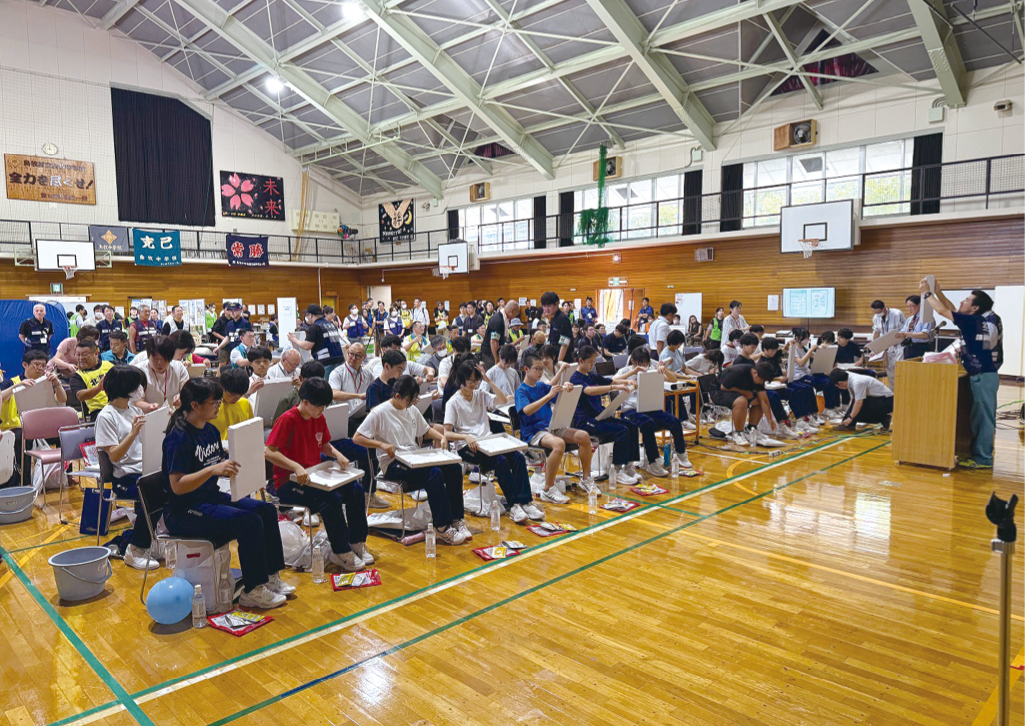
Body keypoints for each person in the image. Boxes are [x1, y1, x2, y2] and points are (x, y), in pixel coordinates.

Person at [162, 379, 293, 609]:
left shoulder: (211, 430)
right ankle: (252, 590)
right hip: (184, 510)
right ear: (195, 405)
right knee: (249, 522)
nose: (219, 406)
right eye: (214, 402)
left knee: (265, 510)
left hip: (208, 497)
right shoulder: (178, 438)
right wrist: (213, 469)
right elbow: (178, 486)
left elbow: (215, 463)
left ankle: (270, 576)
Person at [265, 377, 373, 571]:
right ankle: (341, 551)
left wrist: (338, 455)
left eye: (325, 406)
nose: (322, 409)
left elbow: (324, 444)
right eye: (319, 406)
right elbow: (269, 452)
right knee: (331, 499)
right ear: (305, 402)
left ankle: (356, 542)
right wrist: (296, 467)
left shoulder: (318, 418)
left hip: (315, 477)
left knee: (356, 490)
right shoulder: (288, 419)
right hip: (289, 483)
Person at [354, 375, 471, 544]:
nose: (413, 403)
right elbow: (357, 437)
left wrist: (441, 437)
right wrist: (381, 444)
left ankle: (456, 519)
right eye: (410, 399)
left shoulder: (411, 410)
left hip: (414, 458)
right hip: (393, 464)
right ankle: (441, 527)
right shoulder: (379, 412)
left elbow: (425, 430)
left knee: (454, 468)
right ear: (398, 396)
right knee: (434, 474)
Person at [444, 362, 544, 524]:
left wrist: (489, 381)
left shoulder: (480, 395)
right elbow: (447, 433)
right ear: (461, 379)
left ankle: (526, 501)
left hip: (488, 443)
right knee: (501, 461)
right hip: (467, 446)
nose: (474, 384)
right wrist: (465, 437)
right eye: (470, 380)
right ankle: (514, 505)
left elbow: (503, 400)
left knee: (518, 457)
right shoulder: (453, 402)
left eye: (476, 381)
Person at [920, 280, 1002, 468]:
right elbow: (952, 310)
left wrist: (927, 294)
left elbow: (943, 311)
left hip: (983, 375)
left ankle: (983, 459)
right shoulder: (982, 319)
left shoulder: (974, 321)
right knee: (979, 417)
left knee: (983, 419)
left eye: (966, 300)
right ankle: (978, 455)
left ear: (975, 308)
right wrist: (939, 293)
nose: (961, 302)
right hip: (984, 374)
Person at [94, 366, 158, 569]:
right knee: (153, 495)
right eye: (137, 385)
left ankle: (128, 540)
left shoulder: (135, 410)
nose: (141, 389)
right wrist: (132, 433)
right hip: (125, 479)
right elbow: (114, 455)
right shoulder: (106, 416)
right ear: (125, 387)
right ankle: (135, 549)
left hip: (145, 472)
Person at [515, 353, 593, 504]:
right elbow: (527, 410)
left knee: (583, 436)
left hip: (551, 427)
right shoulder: (521, 390)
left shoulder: (541, 386)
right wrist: (548, 396)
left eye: (542, 369)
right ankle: (548, 489)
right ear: (526, 369)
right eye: (537, 369)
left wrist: (567, 388)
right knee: (559, 444)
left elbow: (558, 396)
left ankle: (586, 479)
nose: (540, 372)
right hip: (534, 432)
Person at [571, 346, 641, 489]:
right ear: (581, 361)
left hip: (599, 416)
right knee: (621, 431)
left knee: (632, 426)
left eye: (593, 362)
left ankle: (628, 465)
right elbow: (589, 391)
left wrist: (627, 381)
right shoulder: (575, 378)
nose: (592, 365)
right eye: (590, 362)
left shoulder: (591, 376)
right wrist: (613, 388)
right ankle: (617, 470)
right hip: (586, 421)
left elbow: (612, 380)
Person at [615, 346, 693, 475]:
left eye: (645, 363)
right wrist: (631, 375)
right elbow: (613, 381)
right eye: (640, 363)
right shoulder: (624, 371)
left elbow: (673, 380)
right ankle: (653, 461)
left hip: (650, 407)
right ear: (633, 360)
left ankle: (681, 452)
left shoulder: (651, 370)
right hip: (631, 410)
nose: (643, 366)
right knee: (647, 423)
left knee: (674, 421)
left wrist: (664, 370)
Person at [0, 350, 68, 487]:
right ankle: (24, 482)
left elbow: (62, 399)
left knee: (64, 435)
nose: (40, 368)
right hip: (16, 427)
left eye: (43, 366)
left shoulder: (46, 382)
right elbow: (1, 396)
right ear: (25, 365)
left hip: (41, 428)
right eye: (36, 364)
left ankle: (66, 476)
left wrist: (57, 383)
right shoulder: (10, 382)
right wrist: (17, 387)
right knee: (23, 438)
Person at [712, 361, 775, 446]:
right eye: (762, 380)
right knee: (742, 401)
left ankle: (751, 428)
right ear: (755, 373)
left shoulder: (759, 378)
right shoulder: (737, 372)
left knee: (759, 401)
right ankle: (738, 433)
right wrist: (743, 392)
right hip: (719, 391)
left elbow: (764, 400)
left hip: (737, 392)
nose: (762, 383)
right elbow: (724, 387)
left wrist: (770, 420)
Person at [132, 335, 190, 411]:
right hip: (147, 416)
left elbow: (188, 393)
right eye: (155, 358)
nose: (159, 363)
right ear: (148, 356)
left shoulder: (179, 368)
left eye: (164, 358)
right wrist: (150, 407)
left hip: (174, 415)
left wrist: (182, 398)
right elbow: (136, 402)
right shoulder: (139, 371)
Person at [829, 369, 893, 432]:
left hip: (887, 401)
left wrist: (850, 418)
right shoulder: (848, 376)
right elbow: (853, 399)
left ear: (840, 383)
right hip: (880, 399)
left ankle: (849, 425)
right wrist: (848, 416)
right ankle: (884, 419)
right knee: (854, 410)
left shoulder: (857, 382)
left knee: (857, 409)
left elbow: (859, 402)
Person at [69, 340, 113, 422]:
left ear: (96, 353)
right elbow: (80, 396)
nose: (81, 358)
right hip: (99, 412)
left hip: (118, 406)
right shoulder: (77, 376)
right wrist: (98, 388)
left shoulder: (110, 365)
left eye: (84, 354)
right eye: (78, 354)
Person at [211, 368, 255, 441]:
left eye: (240, 395)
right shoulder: (212, 407)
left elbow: (251, 429)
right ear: (222, 388)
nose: (235, 399)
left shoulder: (245, 403)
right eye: (231, 395)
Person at [871, 299, 906, 388]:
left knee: (900, 368)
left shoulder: (897, 314)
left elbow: (905, 329)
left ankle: (901, 390)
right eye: (875, 312)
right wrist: (875, 348)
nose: (877, 314)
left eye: (879, 312)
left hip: (900, 345)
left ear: (884, 308)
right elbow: (876, 332)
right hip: (888, 346)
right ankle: (892, 392)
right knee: (890, 371)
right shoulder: (876, 318)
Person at [897, 294, 935, 360]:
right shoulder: (910, 319)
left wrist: (906, 334)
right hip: (909, 347)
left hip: (921, 348)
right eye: (908, 307)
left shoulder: (927, 318)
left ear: (919, 305)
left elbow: (925, 335)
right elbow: (904, 331)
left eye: (911, 306)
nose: (909, 309)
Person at [483, 300, 519, 370]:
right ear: (512, 311)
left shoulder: (503, 318)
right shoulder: (498, 320)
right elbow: (494, 342)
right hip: (490, 355)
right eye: (517, 312)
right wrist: (497, 360)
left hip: (496, 353)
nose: (517, 315)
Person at [540, 292, 573, 364]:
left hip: (563, 361)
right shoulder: (553, 317)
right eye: (544, 306)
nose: (546, 309)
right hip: (554, 356)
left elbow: (564, 343)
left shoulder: (562, 319)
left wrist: (558, 363)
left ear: (557, 304)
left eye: (549, 306)